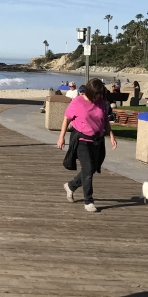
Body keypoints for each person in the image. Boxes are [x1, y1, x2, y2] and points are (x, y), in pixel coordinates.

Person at [57, 78, 118, 213]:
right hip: (81, 140)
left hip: (97, 140)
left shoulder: (101, 102)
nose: (99, 97)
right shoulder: (78, 101)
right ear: (90, 91)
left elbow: (105, 121)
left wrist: (111, 136)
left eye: (100, 94)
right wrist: (61, 137)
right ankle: (88, 201)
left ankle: (71, 186)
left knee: (92, 169)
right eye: (97, 94)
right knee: (88, 168)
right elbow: (66, 119)